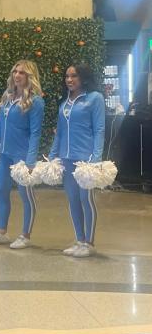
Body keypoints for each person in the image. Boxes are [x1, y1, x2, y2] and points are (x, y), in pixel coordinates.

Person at [0, 60, 45, 250]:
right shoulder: (8, 97)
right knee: (1, 192)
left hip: (22, 156)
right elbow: (0, 126)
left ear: (30, 77)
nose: (17, 75)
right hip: (4, 155)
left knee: (26, 196)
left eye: (22, 73)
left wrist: (30, 160)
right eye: (15, 71)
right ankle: (1, 232)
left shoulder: (36, 101)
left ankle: (25, 235)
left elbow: (36, 132)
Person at [48, 64, 105, 258]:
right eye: (67, 76)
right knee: (73, 200)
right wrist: (53, 157)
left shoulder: (94, 98)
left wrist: (95, 159)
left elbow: (99, 130)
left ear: (83, 78)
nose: (69, 80)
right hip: (66, 158)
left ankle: (89, 243)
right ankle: (79, 240)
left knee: (85, 199)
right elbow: (59, 133)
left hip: (86, 161)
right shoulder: (64, 104)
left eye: (74, 76)